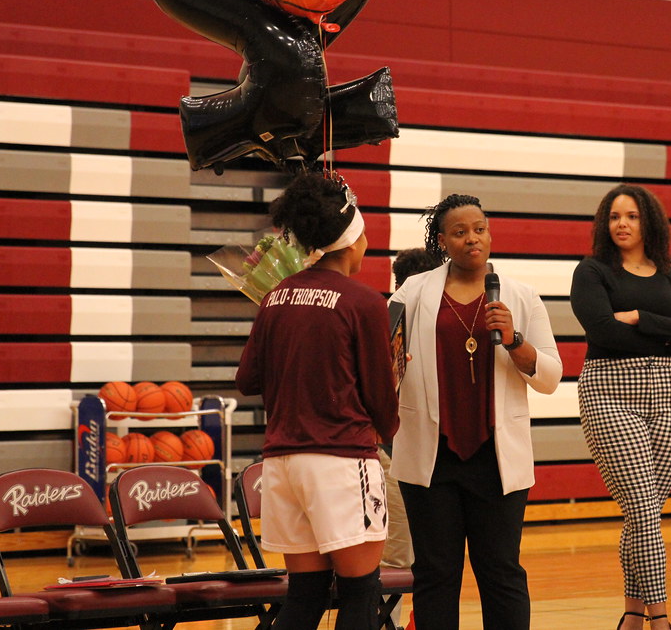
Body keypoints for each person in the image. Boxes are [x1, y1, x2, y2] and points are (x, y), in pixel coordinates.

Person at [389, 193, 562, 630]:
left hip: (496, 460)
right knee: (435, 575)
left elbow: (550, 376)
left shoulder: (521, 297)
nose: (472, 239)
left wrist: (515, 339)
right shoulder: (412, 292)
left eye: (480, 228)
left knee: (501, 572)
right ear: (442, 241)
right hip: (432, 459)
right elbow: (386, 367)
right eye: (460, 232)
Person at [235, 173, 400, 630]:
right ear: (351, 239)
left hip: (282, 465)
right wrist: (391, 427)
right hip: (340, 460)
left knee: (305, 598)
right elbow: (380, 398)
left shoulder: (275, 297)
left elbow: (248, 379)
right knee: (361, 593)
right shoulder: (364, 302)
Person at [569, 183, 671, 630]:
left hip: (669, 392)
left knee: (641, 510)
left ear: (648, 222)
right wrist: (670, 328)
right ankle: (661, 618)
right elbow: (603, 332)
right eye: (614, 217)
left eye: (630, 216)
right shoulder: (592, 272)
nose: (622, 224)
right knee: (644, 507)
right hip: (609, 392)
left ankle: (632, 612)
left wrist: (641, 319)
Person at [379, 247, 440, 572]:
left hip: (425, 455)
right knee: (398, 558)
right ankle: (392, 624)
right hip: (390, 453)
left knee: (428, 558)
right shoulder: (391, 319)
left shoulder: (438, 321)